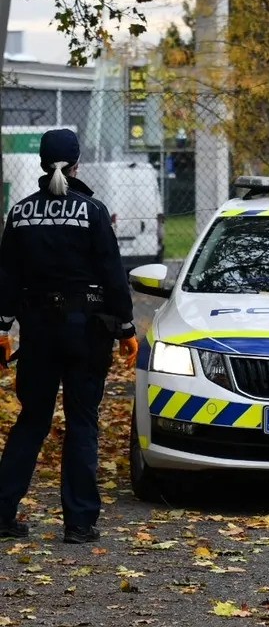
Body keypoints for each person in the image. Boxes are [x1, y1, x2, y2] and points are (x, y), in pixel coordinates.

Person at [0, 129, 139, 544]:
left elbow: (6, 277)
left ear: (43, 163)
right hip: (85, 332)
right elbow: (113, 275)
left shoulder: (21, 213)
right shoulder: (92, 211)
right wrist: (127, 328)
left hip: (39, 333)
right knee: (82, 423)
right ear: (77, 162)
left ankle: (3, 513)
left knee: (31, 421)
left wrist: (2, 327)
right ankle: (79, 523)